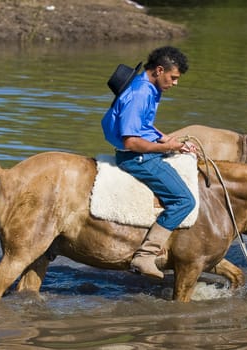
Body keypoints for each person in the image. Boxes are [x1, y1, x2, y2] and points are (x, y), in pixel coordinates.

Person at [101, 46, 196, 279]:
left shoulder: (150, 88)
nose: (175, 83)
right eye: (173, 78)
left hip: (143, 149)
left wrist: (169, 140)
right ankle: (145, 255)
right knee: (185, 200)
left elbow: (144, 125)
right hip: (136, 157)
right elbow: (132, 141)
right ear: (159, 70)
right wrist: (167, 148)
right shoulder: (141, 93)